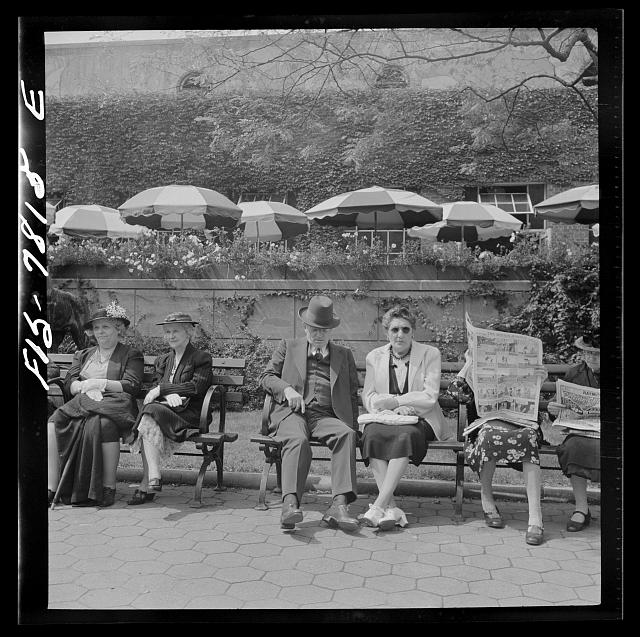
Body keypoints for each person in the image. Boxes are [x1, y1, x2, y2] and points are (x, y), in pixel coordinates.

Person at [259, 295, 360, 532]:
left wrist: (355, 426)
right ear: (305, 327)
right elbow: (266, 377)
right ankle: (290, 505)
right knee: (297, 439)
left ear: (330, 331)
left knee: (346, 434)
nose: (318, 334)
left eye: (323, 330)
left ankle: (339, 506)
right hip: (292, 412)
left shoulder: (344, 354)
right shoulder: (288, 346)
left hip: (326, 415)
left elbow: (353, 393)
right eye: (314, 329)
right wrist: (286, 389)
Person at [48, 302, 144, 507]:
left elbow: (132, 385)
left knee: (105, 425)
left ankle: (108, 487)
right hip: (83, 402)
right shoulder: (82, 355)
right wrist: (83, 387)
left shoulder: (130, 354)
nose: (100, 332)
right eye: (97, 328)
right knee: (53, 422)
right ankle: (52, 486)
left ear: (118, 329)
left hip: (115, 404)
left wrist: (101, 383)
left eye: (106, 327)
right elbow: (69, 383)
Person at [360, 305, 448, 530]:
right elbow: (368, 395)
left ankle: (378, 506)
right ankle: (391, 508)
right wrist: (387, 410)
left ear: (413, 332)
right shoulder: (374, 357)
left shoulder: (430, 354)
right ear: (387, 331)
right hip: (385, 417)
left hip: (421, 419)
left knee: (405, 435)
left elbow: (430, 395)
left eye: (405, 329)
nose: (400, 334)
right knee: (371, 434)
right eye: (395, 329)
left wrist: (398, 402)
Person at [450, 349, 547, 545]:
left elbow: (534, 402)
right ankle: (487, 500)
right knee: (489, 436)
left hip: (522, 424)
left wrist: (540, 380)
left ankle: (535, 518)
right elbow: (455, 393)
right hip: (487, 426)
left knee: (528, 438)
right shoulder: (474, 370)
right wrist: (469, 363)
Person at [126, 313, 213, 505]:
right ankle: (153, 478)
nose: (170, 336)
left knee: (149, 412)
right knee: (149, 416)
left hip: (190, 414)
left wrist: (163, 389)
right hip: (164, 410)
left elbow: (197, 387)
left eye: (175, 331)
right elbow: (157, 387)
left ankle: (148, 481)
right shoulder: (163, 360)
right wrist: (167, 395)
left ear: (189, 332)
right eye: (167, 332)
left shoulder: (201, 358)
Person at [546, 335, 600, 532]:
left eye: (597, 354)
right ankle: (581, 508)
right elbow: (560, 409)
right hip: (582, 432)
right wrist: (554, 409)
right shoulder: (574, 374)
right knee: (572, 447)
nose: (591, 357)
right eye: (587, 353)